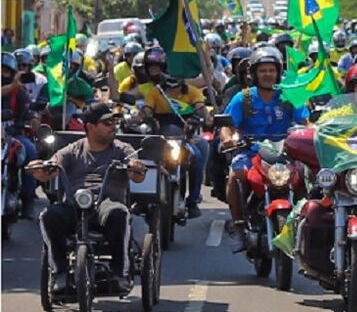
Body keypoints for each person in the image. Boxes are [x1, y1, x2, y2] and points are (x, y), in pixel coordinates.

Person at [32, 103, 147, 293]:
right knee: (48, 215)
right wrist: (40, 168)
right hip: (75, 205)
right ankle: (59, 273)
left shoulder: (122, 149)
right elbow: (50, 169)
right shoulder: (72, 150)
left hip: (106, 205)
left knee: (119, 214)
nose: (113, 126)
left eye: (114, 122)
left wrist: (135, 167)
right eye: (107, 122)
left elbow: (138, 175)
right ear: (90, 127)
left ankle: (120, 273)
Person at [220, 47, 310, 252]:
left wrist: (315, 133)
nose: (268, 75)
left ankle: (306, 224)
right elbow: (228, 125)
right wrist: (227, 139)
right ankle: (240, 228)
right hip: (251, 153)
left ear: (278, 73)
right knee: (235, 174)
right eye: (263, 71)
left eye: (271, 70)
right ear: (254, 74)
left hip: (285, 154)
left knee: (307, 175)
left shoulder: (288, 96)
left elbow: (305, 122)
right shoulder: (243, 98)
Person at [141, 62, 211, 219]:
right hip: (161, 139)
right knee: (144, 157)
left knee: (199, 155)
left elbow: (200, 107)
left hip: (187, 138)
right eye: (169, 74)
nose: (172, 78)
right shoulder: (155, 92)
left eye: (176, 74)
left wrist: (206, 116)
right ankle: (144, 198)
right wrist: (143, 115)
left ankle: (192, 201)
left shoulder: (192, 92)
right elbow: (147, 109)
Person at [2, 52, 40, 218]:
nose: (2, 74)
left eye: (5, 71)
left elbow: (28, 110)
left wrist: (33, 118)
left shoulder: (20, 91)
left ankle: (28, 200)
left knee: (30, 152)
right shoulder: (12, 88)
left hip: (13, 135)